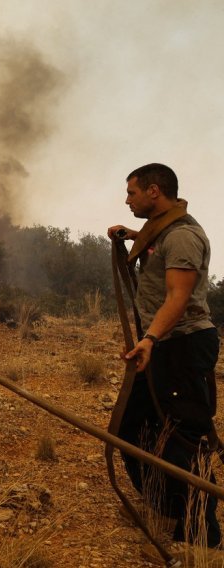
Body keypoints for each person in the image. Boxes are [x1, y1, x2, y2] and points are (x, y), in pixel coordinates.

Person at [108, 163, 220, 547]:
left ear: (154, 191)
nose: (128, 199)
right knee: (131, 428)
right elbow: (158, 247)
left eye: (132, 192)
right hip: (161, 345)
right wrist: (131, 235)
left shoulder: (185, 236)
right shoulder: (163, 232)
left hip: (183, 345)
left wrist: (150, 338)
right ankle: (164, 506)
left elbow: (179, 296)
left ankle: (203, 537)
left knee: (183, 439)